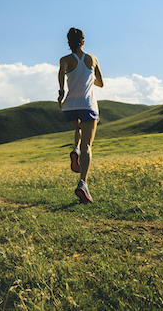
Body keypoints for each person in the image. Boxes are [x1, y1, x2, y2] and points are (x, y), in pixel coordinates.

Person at [57, 27, 104, 203]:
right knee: (88, 146)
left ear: (68, 43)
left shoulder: (64, 60)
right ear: (83, 42)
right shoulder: (92, 59)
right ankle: (82, 183)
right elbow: (101, 83)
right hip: (88, 105)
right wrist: (89, 77)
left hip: (69, 107)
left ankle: (75, 149)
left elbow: (61, 73)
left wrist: (61, 93)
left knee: (79, 128)